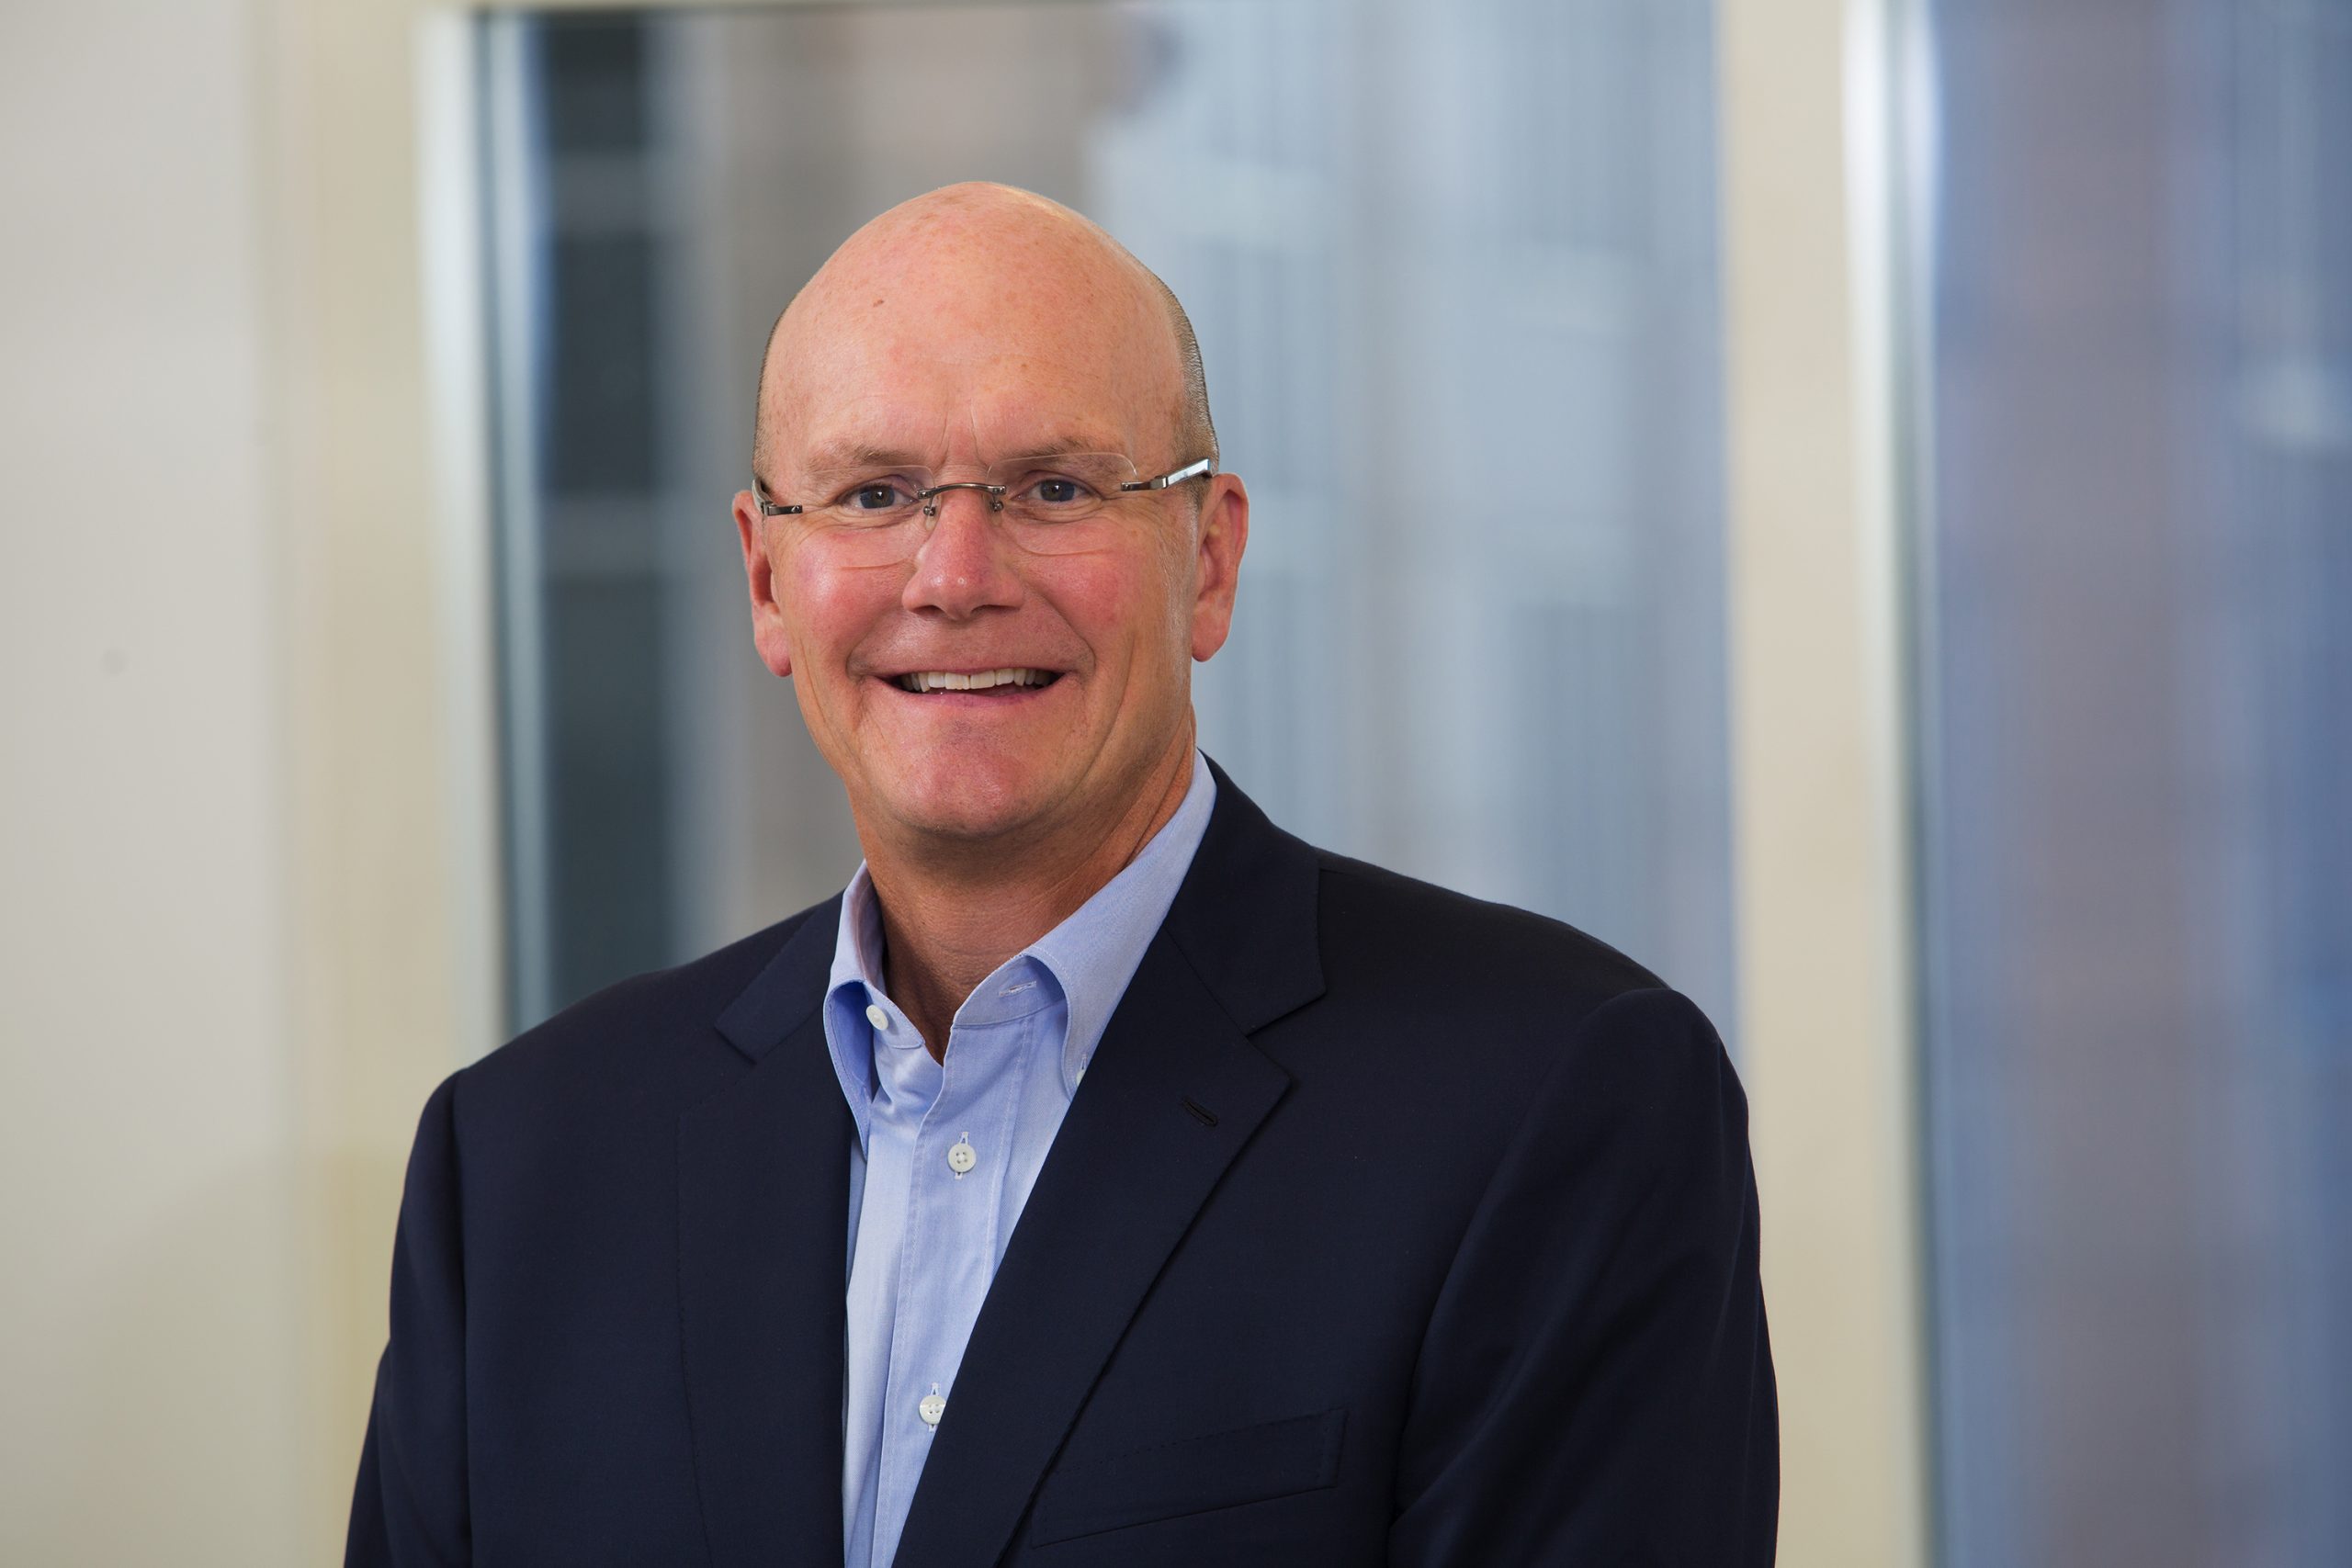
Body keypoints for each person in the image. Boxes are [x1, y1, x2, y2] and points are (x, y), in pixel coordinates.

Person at [347, 182, 1777, 1568]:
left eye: (1054, 485)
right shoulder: (523, 1163)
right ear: (767, 579)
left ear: (1207, 560)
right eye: (873, 492)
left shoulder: (1554, 1104)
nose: (954, 573)